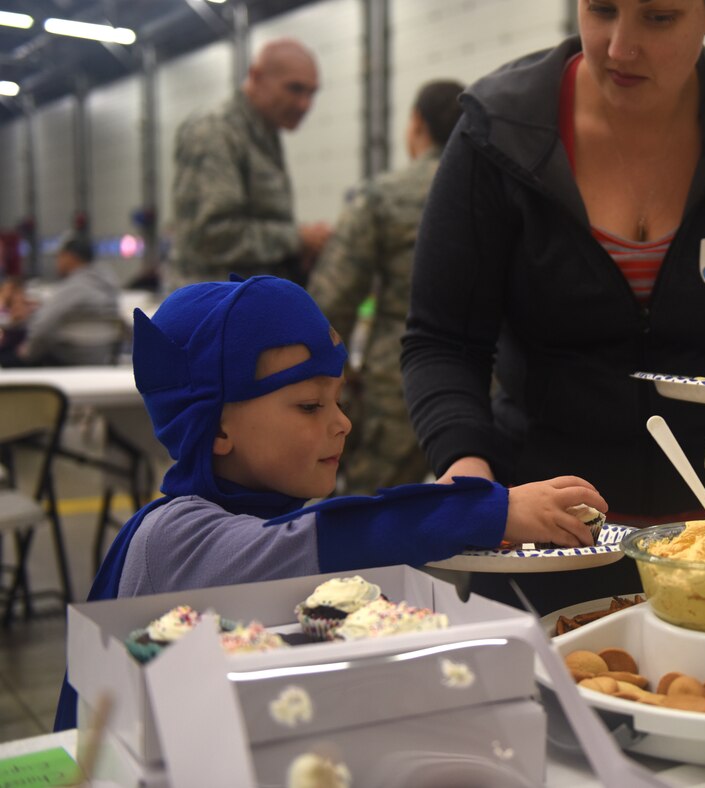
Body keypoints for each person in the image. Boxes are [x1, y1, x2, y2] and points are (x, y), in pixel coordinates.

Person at [401, 0, 705, 611]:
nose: (619, 46)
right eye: (601, 9)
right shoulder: (496, 137)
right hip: (557, 533)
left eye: (658, 18)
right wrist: (464, 463)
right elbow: (442, 340)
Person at [53, 274, 605, 730]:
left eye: (338, 400)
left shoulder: (270, 510)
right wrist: (483, 509)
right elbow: (321, 543)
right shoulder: (173, 535)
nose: (341, 424)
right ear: (217, 428)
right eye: (310, 405)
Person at [308, 79, 465, 494]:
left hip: (395, 390)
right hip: (485, 391)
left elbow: (330, 303)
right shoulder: (499, 191)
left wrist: (337, 383)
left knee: (367, 522)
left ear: (416, 125)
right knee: (490, 527)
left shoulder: (382, 196)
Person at [168, 38, 331, 289]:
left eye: (312, 93)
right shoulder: (215, 131)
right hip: (215, 312)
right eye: (295, 89)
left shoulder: (265, 133)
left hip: (245, 305)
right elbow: (209, 235)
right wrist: (296, 239)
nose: (305, 104)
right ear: (256, 77)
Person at [2, 235, 120, 367]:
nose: (57, 262)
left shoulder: (75, 287)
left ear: (70, 257)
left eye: (59, 256)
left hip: (67, 359)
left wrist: (24, 353)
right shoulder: (107, 285)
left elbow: (42, 328)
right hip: (99, 356)